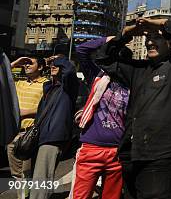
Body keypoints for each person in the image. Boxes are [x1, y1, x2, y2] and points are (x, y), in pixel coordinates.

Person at [94, 17, 171, 199]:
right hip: (132, 155)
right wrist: (125, 35)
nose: (150, 42)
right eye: (147, 38)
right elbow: (102, 58)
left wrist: (161, 23)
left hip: (162, 157)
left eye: (156, 37)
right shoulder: (138, 70)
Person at [70, 36, 130, 199]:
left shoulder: (131, 84)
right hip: (91, 148)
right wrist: (109, 39)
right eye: (114, 58)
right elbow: (81, 50)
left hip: (116, 153)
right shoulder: (97, 76)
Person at [31, 57, 77, 199]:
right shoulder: (49, 88)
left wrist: (60, 59)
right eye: (51, 65)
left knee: (41, 178)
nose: (53, 66)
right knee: (38, 176)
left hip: (53, 138)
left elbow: (69, 72)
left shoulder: (69, 89)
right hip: (41, 136)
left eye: (56, 65)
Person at [7, 57, 48, 182]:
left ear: (40, 67)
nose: (26, 66)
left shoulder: (46, 84)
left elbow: (49, 106)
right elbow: (2, 74)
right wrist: (15, 63)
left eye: (30, 63)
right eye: (24, 64)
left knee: (27, 174)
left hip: (29, 135)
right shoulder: (19, 83)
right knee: (16, 175)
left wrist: (26, 112)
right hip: (13, 134)